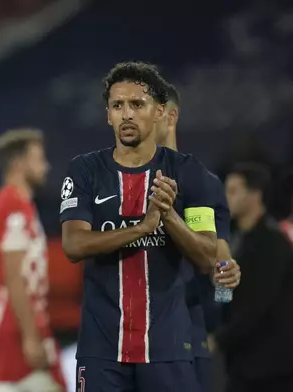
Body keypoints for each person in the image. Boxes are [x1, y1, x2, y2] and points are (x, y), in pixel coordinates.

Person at [60, 61, 219, 392]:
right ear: (107, 115)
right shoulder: (85, 171)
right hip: (101, 350)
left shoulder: (189, 173)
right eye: (118, 105)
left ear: (160, 111)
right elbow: (73, 245)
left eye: (137, 104)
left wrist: (170, 217)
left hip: (168, 348)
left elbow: (207, 257)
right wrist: (142, 227)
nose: (127, 114)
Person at [154, 83, 241, 391]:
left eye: (152, 111)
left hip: (190, 339)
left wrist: (216, 319)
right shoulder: (125, 183)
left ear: (171, 117)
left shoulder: (202, 183)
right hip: (136, 343)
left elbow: (222, 265)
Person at [0, 129, 66, 392]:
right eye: (38, 159)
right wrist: (30, 335)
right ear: (19, 163)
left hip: (5, 319)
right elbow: (13, 275)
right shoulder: (14, 206)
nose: (45, 166)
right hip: (16, 323)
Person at [215, 163, 293, 391]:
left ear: (254, 195)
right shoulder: (230, 237)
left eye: (233, 191)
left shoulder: (272, 242)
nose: (226, 197)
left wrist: (219, 339)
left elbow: (259, 302)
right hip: (240, 362)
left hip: (272, 366)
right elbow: (223, 289)